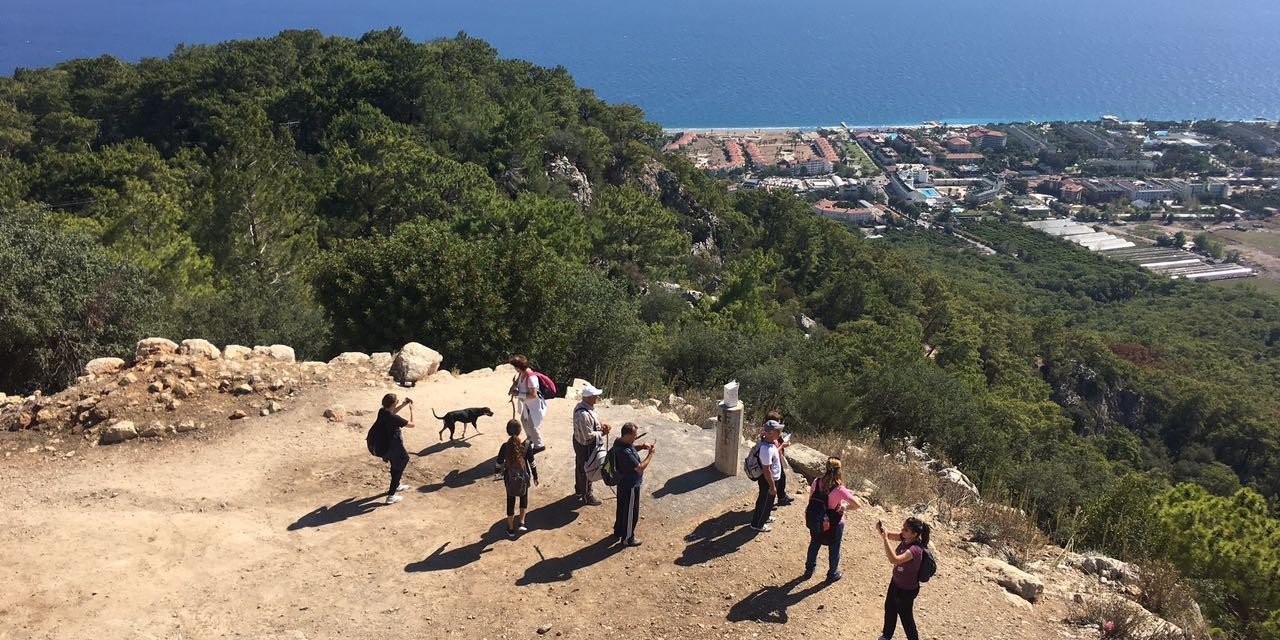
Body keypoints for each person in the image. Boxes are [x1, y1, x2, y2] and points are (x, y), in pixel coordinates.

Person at [803, 457, 859, 581]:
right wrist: (844, 506)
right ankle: (832, 573)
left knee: (814, 543)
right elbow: (857, 505)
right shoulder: (840, 489)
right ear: (839, 471)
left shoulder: (817, 482)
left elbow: (811, 497)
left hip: (817, 518)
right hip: (834, 522)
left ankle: (809, 569)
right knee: (834, 548)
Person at [876, 516, 931, 640]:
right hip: (895, 582)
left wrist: (885, 539)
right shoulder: (905, 537)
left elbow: (894, 559)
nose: (902, 530)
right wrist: (882, 530)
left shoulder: (915, 550)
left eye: (906, 529)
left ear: (914, 534)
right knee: (890, 608)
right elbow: (889, 534)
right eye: (903, 527)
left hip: (907, 589)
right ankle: (887, 635)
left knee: (906, 617)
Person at [610, 422, 655, 547]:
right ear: (628, 435)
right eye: (634, 435)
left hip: (622, 483)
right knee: (631, 512)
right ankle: (628, 538)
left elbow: (631, 449)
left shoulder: (619, 442)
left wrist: (641, 446)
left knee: (621, 508)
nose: (636, 437)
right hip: (630, 485)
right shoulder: (624, 452)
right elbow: (640, 468)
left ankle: (618, 530)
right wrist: (650, 454)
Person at [495, 419, 539, 538]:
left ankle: (510, 529)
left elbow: (498, 464)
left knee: (510, 501)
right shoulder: (526, 446)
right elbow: (532, 463)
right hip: (523, 478)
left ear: (507, 431)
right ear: (520, 431)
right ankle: (522, 523)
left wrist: (497, 475)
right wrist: (535, 476)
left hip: (509, 478)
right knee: (523, 498)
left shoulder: (505, 446)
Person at [371, 393, 416, 505]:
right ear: (393, 404)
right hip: (393, 446)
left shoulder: (382, 411)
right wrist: (412, 410)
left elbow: (392, 412)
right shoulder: (394, 418)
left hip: (383, 446)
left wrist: (403, 405)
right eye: (397, 401)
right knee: (402, 461)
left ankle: (397, 484)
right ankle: (391, 496)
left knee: (394, 463)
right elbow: (412, 425)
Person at [572, 383, 611, 506]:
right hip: (586, 446)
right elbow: (587, 436)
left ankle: (579, 489)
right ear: (588, 398)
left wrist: (601, 424)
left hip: (579, 443)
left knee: (580, 466)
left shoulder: (583, 407)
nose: (597, 398)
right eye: (595, 396)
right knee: (588, 468)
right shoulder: (583, 414)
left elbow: (592, 423)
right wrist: (602, 432)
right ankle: (586, 495)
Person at [508, 355, 546, 451]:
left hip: (535, 406)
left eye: (515, 367)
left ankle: (539, 445)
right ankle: (530, 438)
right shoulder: (522, 373)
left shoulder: (531, 378)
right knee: (524, 420)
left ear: (518, 367)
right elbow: (517, 382)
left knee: (531, 425)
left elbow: (533, 395)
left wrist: (518, 393)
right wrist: (512, 388)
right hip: (527, 405)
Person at [749, 421, 783, 532]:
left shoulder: (769, 443)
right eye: (778, 430)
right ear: (770, 433)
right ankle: (757, 524)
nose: (780, 432)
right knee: (765, 501)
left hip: (772, 478)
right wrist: (772, 486)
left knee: (768, 501)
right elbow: (766, 469)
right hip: (768, 480)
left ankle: (765, 517)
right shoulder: (765, 449)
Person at [760, 413, 794, 508]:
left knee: (782, 478)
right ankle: (768, 505)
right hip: (772, 463)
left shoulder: (771, 433)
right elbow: (771, 452)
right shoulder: (766, 436)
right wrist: (782, 446)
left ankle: (781, 497)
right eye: (777, 423)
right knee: (772, 483)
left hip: (777, 460)